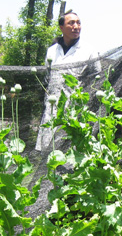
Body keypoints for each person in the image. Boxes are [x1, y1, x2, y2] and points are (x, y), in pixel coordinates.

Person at [36, 11, 98, 151]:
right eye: (71, 23)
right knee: (48, 150)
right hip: (52, 107)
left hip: (75, 109)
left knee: (71, 151)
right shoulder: (52, 51)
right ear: (61, 28)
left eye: (78, 22)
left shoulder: (89, 51)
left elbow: (97, 79)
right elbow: (47, 77)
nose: (76, 26)